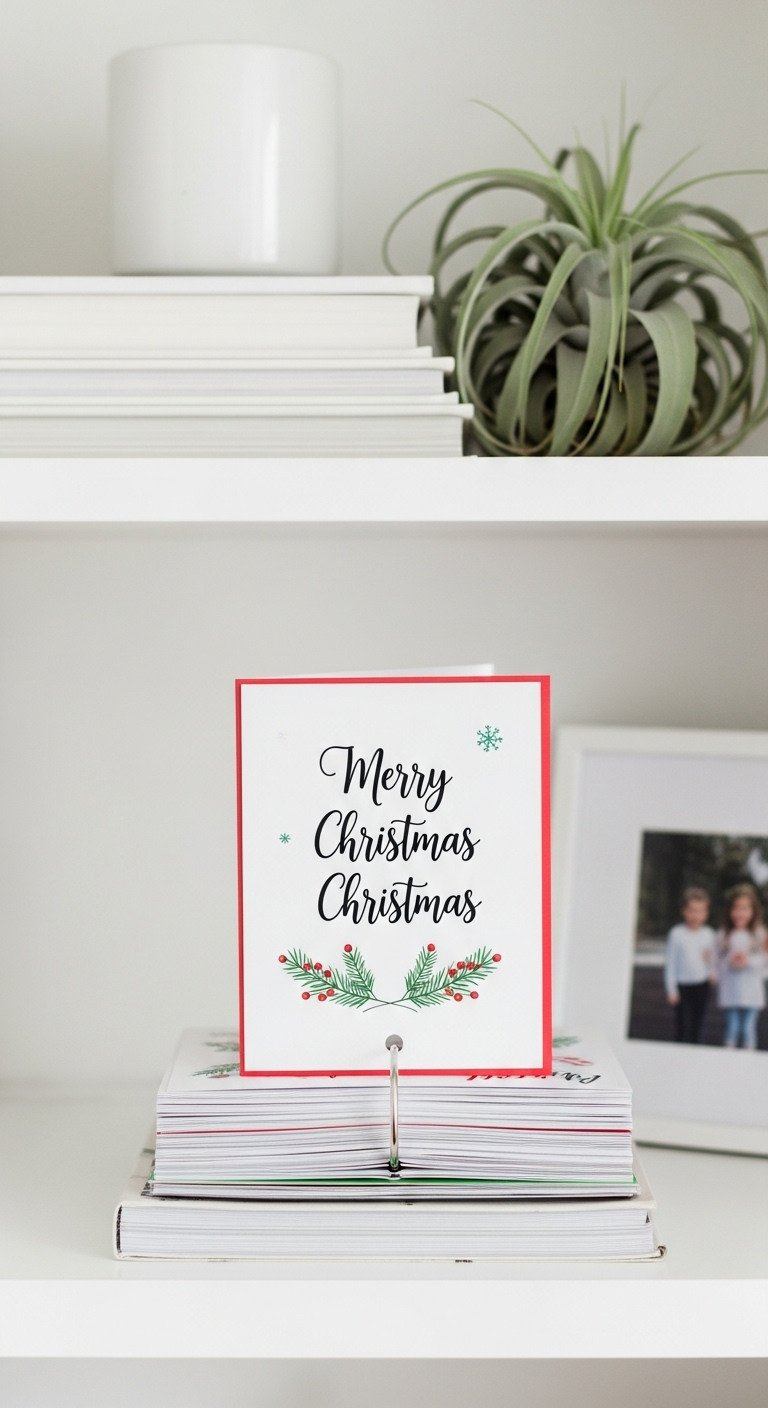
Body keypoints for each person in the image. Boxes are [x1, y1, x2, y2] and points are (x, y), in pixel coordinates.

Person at [716, 884, 767, 1051]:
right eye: (736, 908)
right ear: (730, 910)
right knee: (732, 1029)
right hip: (731, 990)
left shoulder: (760, 934)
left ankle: (747, 1066)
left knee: (748, 1029)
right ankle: (728, 1066)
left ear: (753, 911)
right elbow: (717, 960)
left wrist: (748, 961)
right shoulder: (724, 934)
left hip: (751, 991)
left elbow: (764, 960)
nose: (740, 913)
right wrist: (731, 960)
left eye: (745, 908)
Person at [664, 887, 716, 1043]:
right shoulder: (676, 933)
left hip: (701, 985)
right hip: (682, 986)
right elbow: (671, 964)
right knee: (683, 1024)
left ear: (706, 913)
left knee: (697, 1024)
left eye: (700, 911)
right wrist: (671, 989)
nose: (695, 915)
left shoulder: (709, 934)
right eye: (691, 910)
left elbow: (711, 959)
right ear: (684, 911)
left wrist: (712, 972)